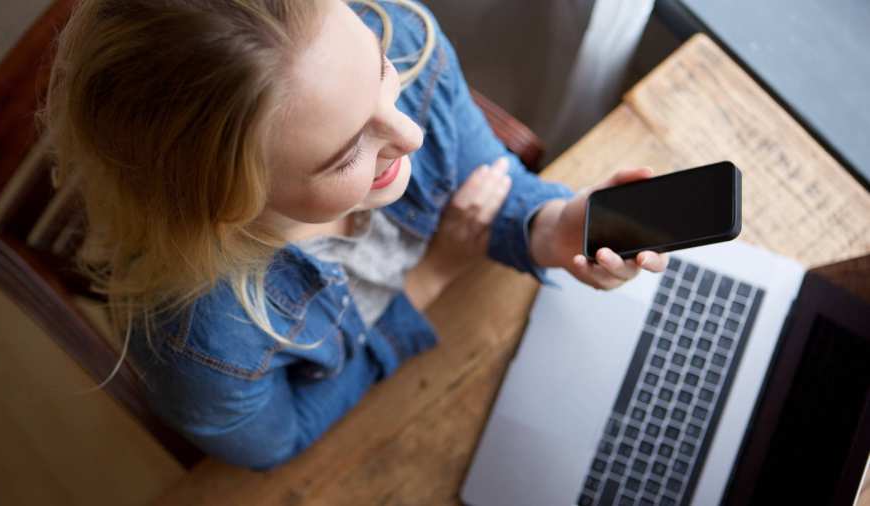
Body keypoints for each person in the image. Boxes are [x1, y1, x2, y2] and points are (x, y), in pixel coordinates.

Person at [39, 0, 668, 471]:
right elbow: (276, 441)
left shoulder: (401, 35)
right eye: (345, 156)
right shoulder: (197, 338)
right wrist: (429, 278)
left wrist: (551, 226)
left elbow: (484, 184)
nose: (410, 136)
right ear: (228, 204)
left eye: (380, 74)